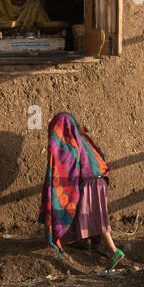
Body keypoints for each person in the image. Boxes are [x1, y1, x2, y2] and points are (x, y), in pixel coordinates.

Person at [39, 112, 123, 271]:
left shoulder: (68, 142)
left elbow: (62, 166)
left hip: (89, 181)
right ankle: (85, 241)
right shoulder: (82, 138)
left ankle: (114, 250)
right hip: (100, 179)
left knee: (96, 217)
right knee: (90, 212)